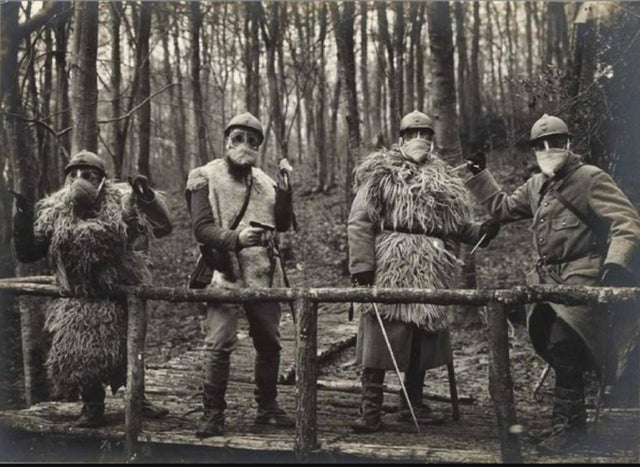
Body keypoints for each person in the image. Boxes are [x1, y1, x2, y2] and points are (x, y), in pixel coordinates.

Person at [464, 113, 640, 452]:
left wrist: (617, 263)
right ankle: (573, 426)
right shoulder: (535, 185)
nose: (549, 149)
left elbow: (626, 221)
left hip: (582, 275)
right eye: (540, 145)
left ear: (568, 144)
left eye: (556, 142)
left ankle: (569, 431)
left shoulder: (590, 178)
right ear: (533, 150)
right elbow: (502, 208)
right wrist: (479, 175)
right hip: (546, 281)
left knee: (565, 345)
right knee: (558, 346)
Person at [347, 110, 500, 433]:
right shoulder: (380, 175)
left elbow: (458, 226)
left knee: (421, 339)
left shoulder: (444, 178)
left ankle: (412, 403)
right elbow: (360, 221)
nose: (420, 140)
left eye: (426, 134)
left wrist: (482, 231)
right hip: (390, 263)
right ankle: (370, 408)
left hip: (432, 266)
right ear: (401, 139)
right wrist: (362, 266)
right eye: (413, 134)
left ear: (432, 140)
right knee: (380, 335)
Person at [11, 149, 173, 427]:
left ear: (101, 180)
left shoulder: (121, 203)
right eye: (73, 175)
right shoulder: (56, 212)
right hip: (78, 296)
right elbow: (28, 253)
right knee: (80, 354)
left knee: (127, 349)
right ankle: (92, 406)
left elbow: (162, 226)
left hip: (119, 293)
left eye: (87, 175)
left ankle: (138, 399)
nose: (79, 180)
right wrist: (23, 220)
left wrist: (146, 198)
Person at [186, 112, 296, 438]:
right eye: (238, 138)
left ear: (258, 146)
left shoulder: (265, 182)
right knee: (219, 344)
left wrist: (287, 190)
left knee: (270, 344)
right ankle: (212, 415)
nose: (244, 145)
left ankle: (267, 408)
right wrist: (236, 239)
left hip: (262, 273)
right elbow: (201, 228)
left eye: (252, 140)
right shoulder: (204, 176)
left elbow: (284, 223)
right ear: (226, 140)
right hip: (223, 272)